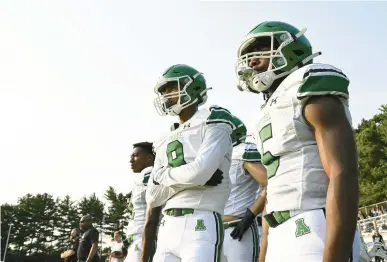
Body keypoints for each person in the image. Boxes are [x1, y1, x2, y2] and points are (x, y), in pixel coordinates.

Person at [235, 21, 359, 261]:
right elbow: (274, 186)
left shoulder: (306, 83)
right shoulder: (267, 109)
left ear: (291, 50)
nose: (251, 61)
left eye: (261, 48)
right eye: (249, 55)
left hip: (314, 224)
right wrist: (265, 252)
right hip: (279, 232)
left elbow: (342, 172)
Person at [141, 64, 238, 262]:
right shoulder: (163, 138)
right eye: (164, 91)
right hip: (167, 226)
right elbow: (152, 197)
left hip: (201, 221)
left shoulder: (214, 119)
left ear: (191, 87)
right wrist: (192, 179)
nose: (166, 95)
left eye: (171, 88)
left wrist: (164, 177)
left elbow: (200, 172)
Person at [222, 120, 267, 262]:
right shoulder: (214, 157)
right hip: (214, 231)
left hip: (239, 230)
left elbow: (271, 182)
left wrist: (251, 213)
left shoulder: (242, 151)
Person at [124, 142, 155, 262]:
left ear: (149, 158)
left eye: (135, 156)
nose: (131, 160)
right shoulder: (142, 177)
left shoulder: (150, 175)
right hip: (136, 241)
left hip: (143, 239)